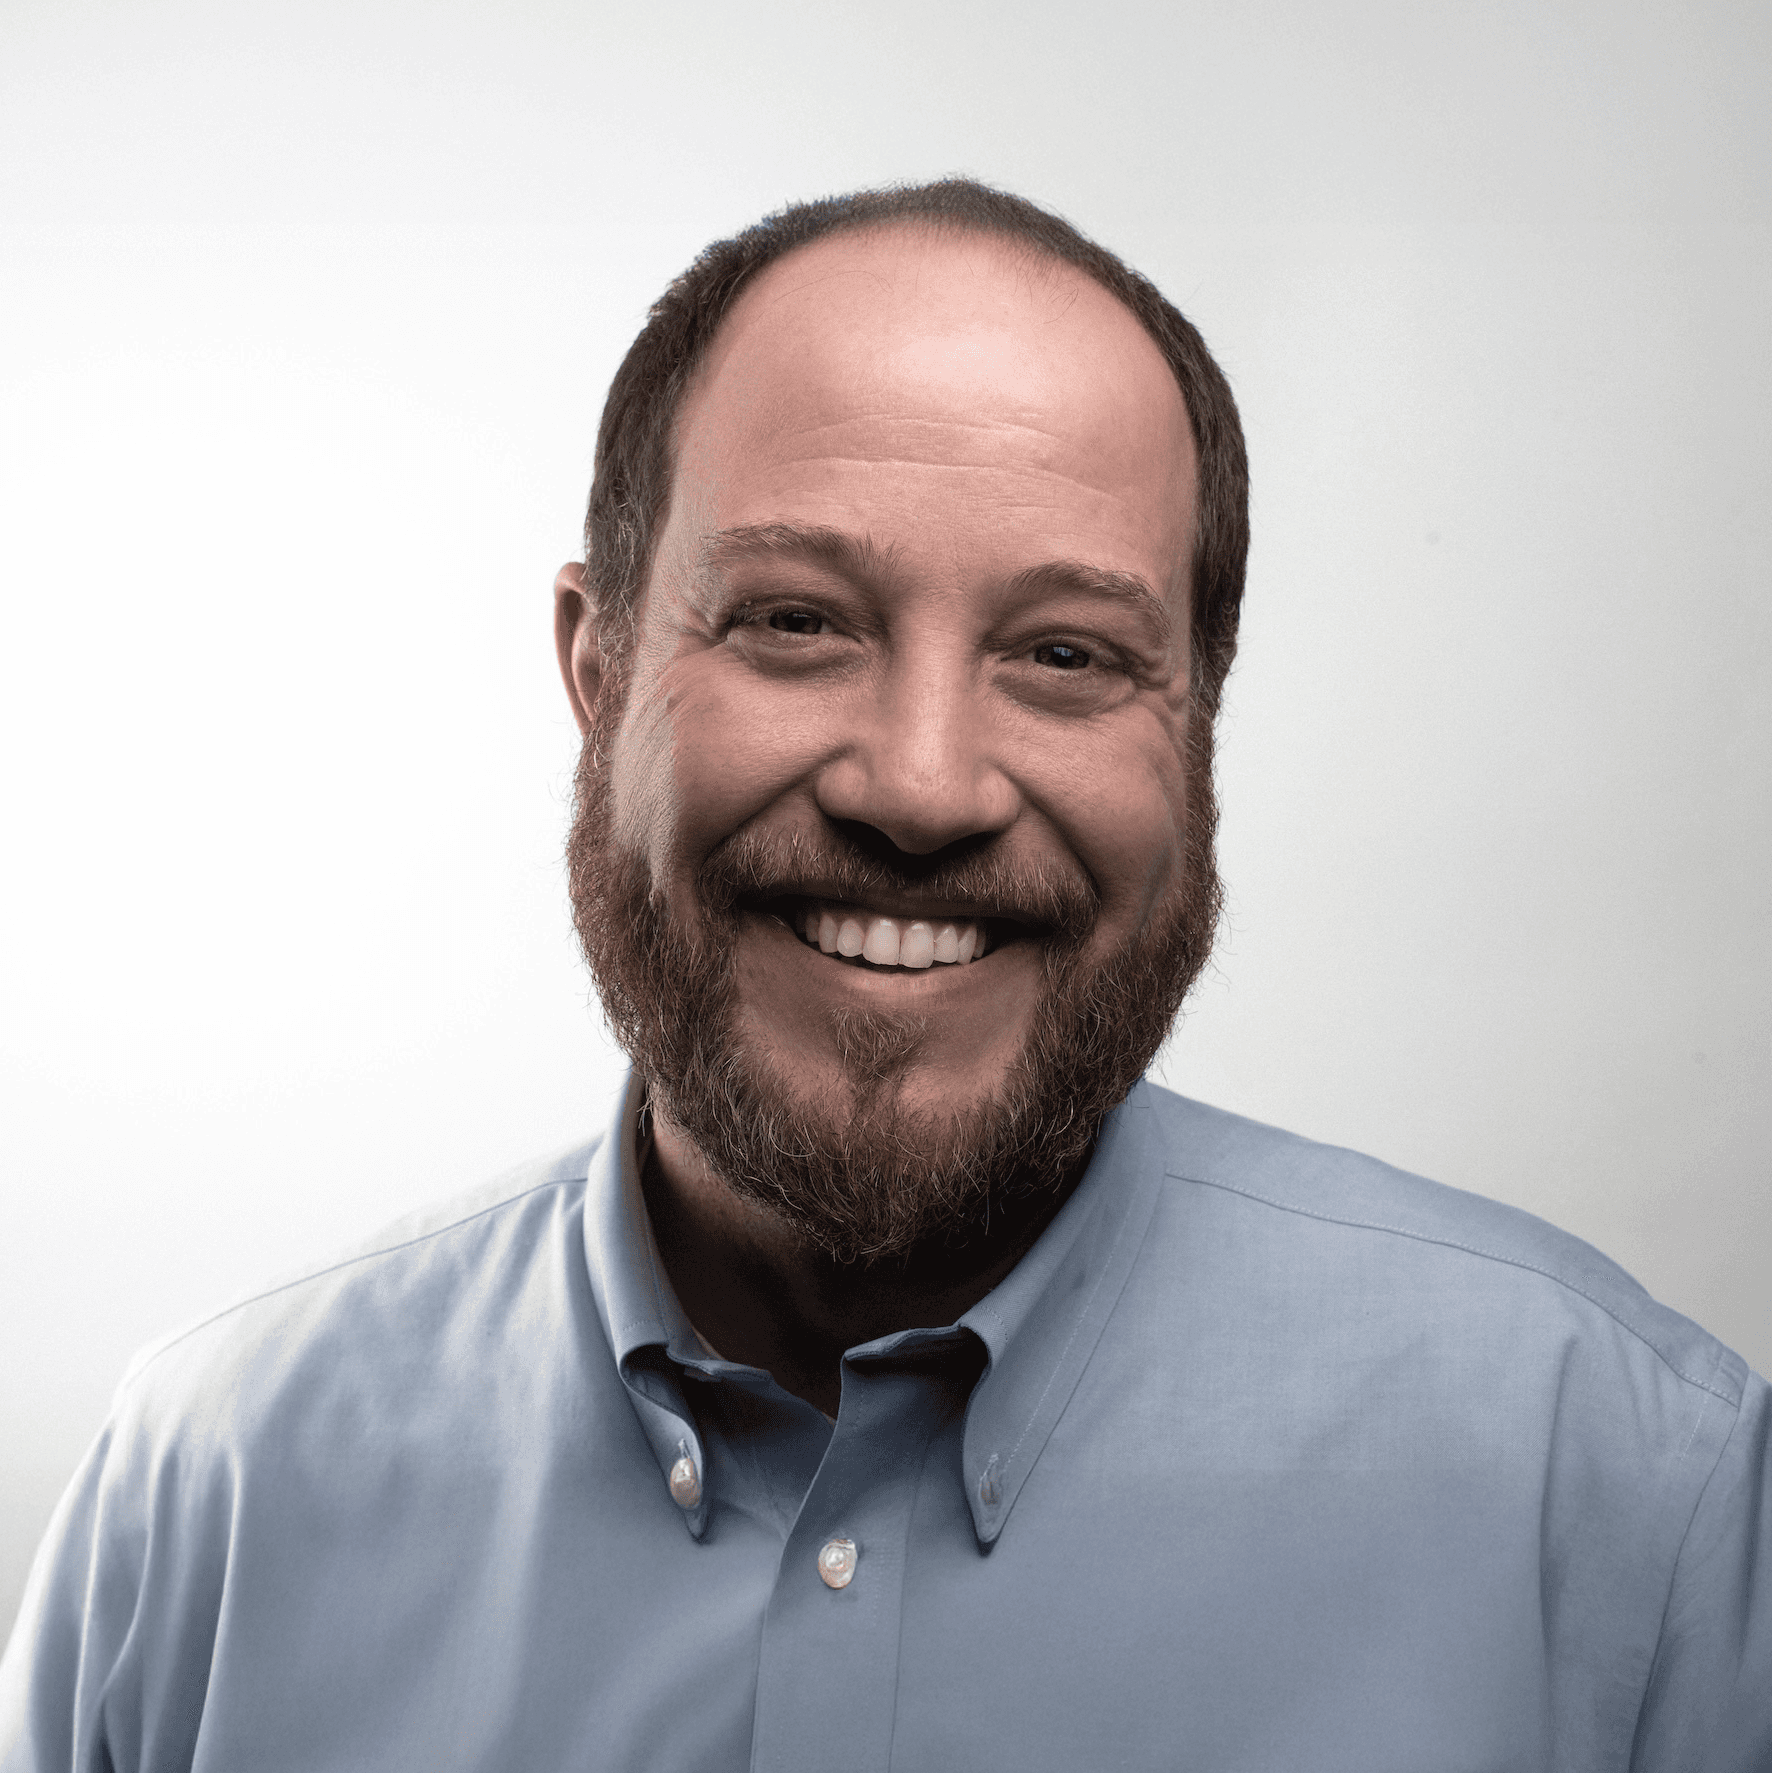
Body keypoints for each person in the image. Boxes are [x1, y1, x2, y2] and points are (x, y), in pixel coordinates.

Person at [2, 179, 1767, 1772]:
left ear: (1199, 733)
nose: (921, 789)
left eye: (1067, 655)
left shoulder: (1635, 1490)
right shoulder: (212, 1496)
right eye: (795, 620)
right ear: (597, 672)